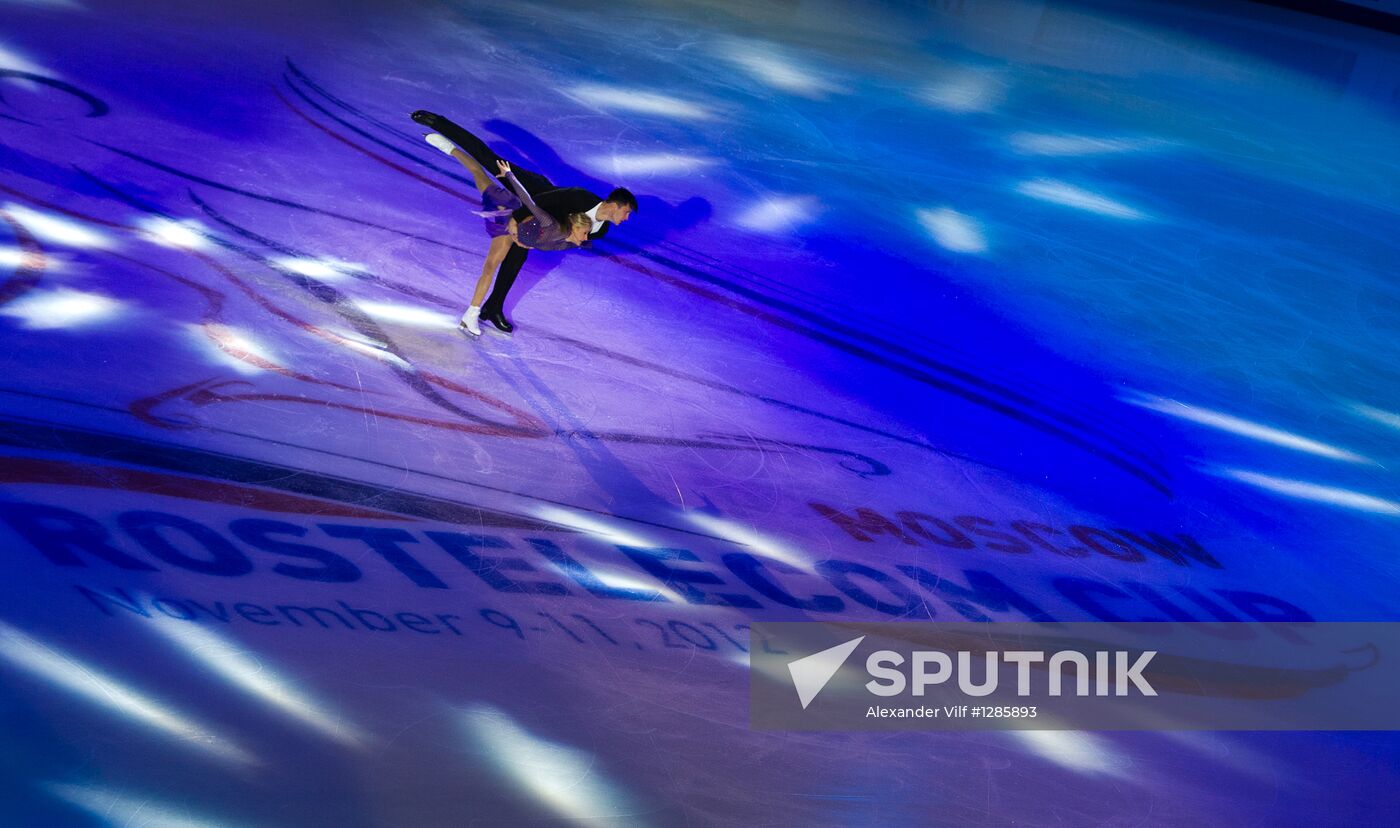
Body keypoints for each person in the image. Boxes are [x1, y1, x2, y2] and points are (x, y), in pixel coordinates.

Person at [411, 110, 637, 333]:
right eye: (626, 212)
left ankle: (493, 307)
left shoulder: (600, 231)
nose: (625, 219)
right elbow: (538, 201)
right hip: (532, 191)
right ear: (615, 205)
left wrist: (530, 239)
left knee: (517, 256)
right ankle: (439, 123)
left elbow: (562, 240)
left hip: (540, 221)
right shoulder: (581, 196)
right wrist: (515, 220)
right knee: (489, 160)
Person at [423, 131, 592, 334]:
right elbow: (529, 201)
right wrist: (509, 176)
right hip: (506, 208)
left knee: (491, 266)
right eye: (585, 233)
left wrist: (523, 242)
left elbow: (540, 243)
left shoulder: (564, 243)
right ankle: (450, 149)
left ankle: (470, 315)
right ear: (576, 227)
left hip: (512, 231)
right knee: (479, 174)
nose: (586, 238)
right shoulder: (551, 224)